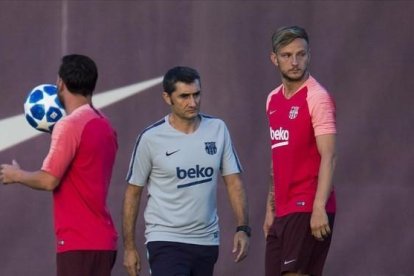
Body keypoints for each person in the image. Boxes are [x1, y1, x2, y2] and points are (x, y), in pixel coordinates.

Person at [122, 66, 250, 276]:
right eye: (184, 96)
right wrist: (129, 248)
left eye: (196, 94)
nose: (193, 102)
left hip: (206, 242)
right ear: (167, 97)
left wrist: (243, 228)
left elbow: (234, 182)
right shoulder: (150, 138)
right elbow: (132, 192)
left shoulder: (218, 129)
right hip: (165, 240)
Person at [0, 54, 118, 276]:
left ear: (61, 83)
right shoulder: (105, 124)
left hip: (78, 241)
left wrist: (16, 175)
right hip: (103, 241)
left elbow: (48, 180)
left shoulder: (69, 125)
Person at [263, 26, 337, 276]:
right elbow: (277, 156)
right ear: (274, 59)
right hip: (282, 209)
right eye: (286, 55)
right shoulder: (272, 99)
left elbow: (329, 155)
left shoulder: (317, 97)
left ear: (308, 55)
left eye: (300, 54)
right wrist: (270, 209)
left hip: (307, 206)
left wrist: (318, 207)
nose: (295, 62)